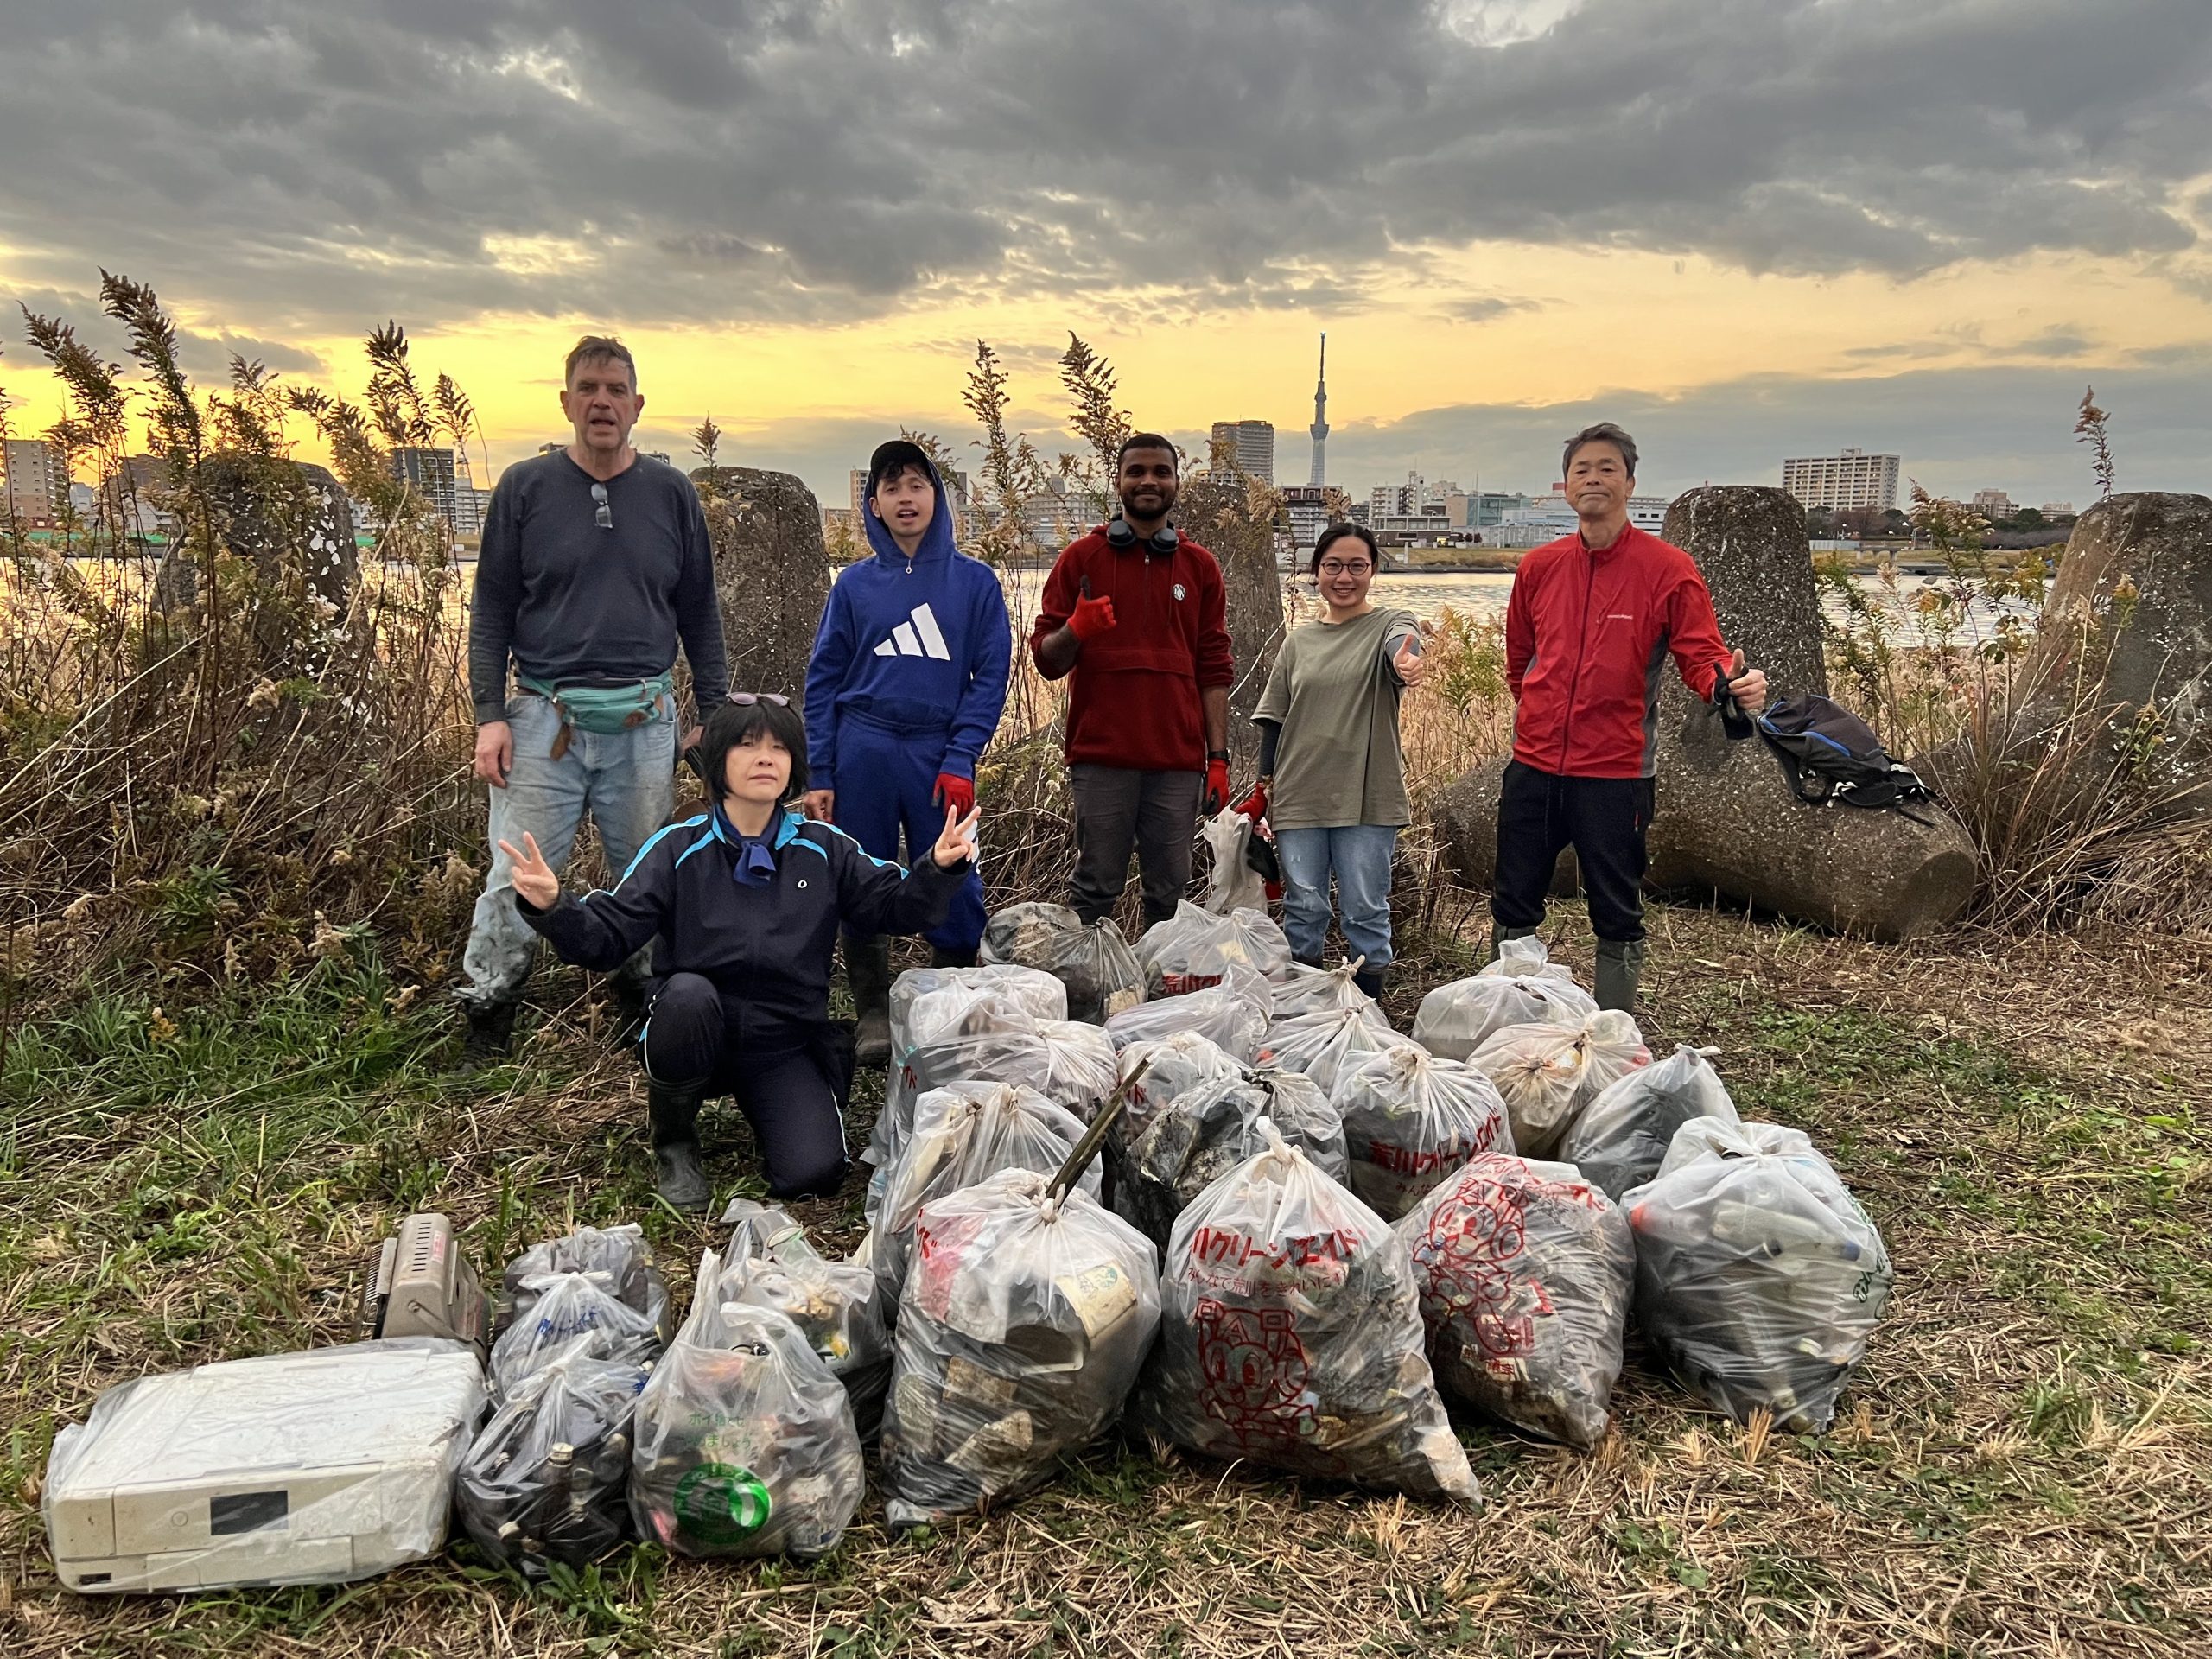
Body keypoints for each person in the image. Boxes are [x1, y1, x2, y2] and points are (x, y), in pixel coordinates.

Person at [502, 694, 979, 1211]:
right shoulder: (677, 847)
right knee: (686, 996)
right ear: (718, 760)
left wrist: (939, 868)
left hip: (783, 1041)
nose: (765, 759)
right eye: (748, 745)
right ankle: (674, 1139)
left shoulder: (825, 847)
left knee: (814, 1174)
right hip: (696, 1028)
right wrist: (554, 907)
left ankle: (781, 1103)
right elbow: (607, 937)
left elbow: (895, 907)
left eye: (779, 748)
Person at [458, 334, 728, 1065]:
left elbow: (700, 611)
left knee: (645, 873)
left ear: (637, 406)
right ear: (566, 402)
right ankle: (488, 1009)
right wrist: (489, 716)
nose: (602, 402)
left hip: (644, 720)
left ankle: (642, 1005)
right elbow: (491, 610)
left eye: (615, 390)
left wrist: (715, 716)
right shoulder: (525, 488)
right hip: (542, 716)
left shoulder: (672, 494)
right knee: (515, 872)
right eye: (588, 388)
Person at [1495, 422, 1769, 1011]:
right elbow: (1520, 661)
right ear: (1566, 485)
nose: (1593, 478)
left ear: (1630, 483)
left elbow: (1702, 654)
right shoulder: (1539, 566)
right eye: (1581, 469)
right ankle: (1511, 1018)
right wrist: (1539, 713)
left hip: (1616, 772)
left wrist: (1729, 684)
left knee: (1615, 909)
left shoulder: (1667, 568)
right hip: (1534, 766)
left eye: (1607, 468)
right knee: (1514, 899)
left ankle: (1612, 1031)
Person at [802, 440, 1011, 1066]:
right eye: (890, 488)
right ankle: (873, 1008)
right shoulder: (854, 586)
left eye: (917, 484)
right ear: (873, 505)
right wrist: (820, 770)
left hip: (936, 750)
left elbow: (989, 677)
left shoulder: (975, 583)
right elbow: (823, 681)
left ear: (936, 497)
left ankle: (950, 996)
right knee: (861, 871)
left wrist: (962, 755)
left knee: (954, 872)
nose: (905, 498)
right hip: (862, 745)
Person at [1031, 434, 1234, 930]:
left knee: (1169, 895)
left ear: (1176, 482)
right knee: (1094, 888)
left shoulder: (1200, 566)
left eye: (1161, 472)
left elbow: (1213, 668)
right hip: (1101, 758)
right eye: (1136, 471)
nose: (1149, 481)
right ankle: (1087, 977)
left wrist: (1218, 760)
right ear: (1118, 481)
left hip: (1177, 763)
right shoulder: (1081, 559)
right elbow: (1046, 660)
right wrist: (1076, 630)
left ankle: (1158, 980)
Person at [1238, 524, 1425, 1001]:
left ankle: (1368, 1012)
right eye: (1333, 566)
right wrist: (1264, 787)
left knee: (1365, 909)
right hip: (1299, 793)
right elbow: (1273, 718)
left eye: (1357, 566)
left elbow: (1403, 644)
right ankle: (1307, 1009)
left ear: (1373, 571)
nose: (1345, 577)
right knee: (1304, 908)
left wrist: (1405, 663)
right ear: (1317, 572)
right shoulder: (1298, 642)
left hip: (1367, 795)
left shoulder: (1389, 624)